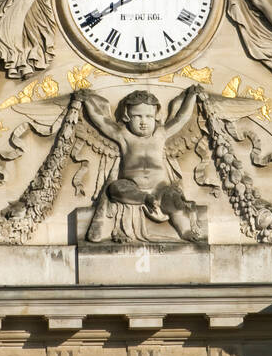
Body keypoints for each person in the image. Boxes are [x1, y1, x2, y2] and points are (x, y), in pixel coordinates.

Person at [79, 86, 203, 243]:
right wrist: (87, 100)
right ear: (127, 117)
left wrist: (191, 97)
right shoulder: (124, 136)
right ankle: (145, 198)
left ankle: (185, 230)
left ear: (156, 117)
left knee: (175, 200)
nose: (143, 122)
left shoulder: (161, 134)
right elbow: (101, 121)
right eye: (137, 116)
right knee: (116, 188)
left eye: (149, 117)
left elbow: (181, 118)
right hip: (132, 185)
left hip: (160, 187)